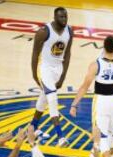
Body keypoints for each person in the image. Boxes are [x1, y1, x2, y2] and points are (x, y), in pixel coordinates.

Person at [30, 7, 73, 147]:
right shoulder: (43, 32)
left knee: (44, 99)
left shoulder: (70, 31)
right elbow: (35, 54)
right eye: (61, 17)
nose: (64, 19)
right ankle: (61, 136)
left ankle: (32, 127)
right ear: (55, 18)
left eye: (66, 16)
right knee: (52, 99)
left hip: (57, 70)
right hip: (44, 68)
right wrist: (35, 75)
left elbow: (67, 55)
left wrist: (63, 77)